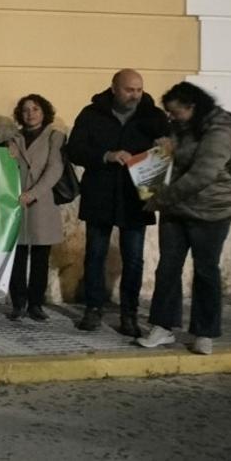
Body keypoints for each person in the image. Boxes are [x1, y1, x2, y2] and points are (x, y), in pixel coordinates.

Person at [136, 83, 231, 355]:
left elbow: (202, 175)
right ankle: (162, 326)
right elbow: (175, 162)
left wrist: (160, 199)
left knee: (206, 271)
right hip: (176, 210)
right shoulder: (181, 127)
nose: (171, 117)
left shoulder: (219, 131)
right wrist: (164, 150)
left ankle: (204, 332)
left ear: (192, 106)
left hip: (211, 210)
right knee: (168, 268)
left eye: (175, 112)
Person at [67, 69, 167, 336]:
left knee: (133, 260)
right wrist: (106, 155)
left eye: (139, 90)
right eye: (129, 90)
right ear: (114, 88)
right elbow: (74, 149)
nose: (135, 95)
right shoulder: (91, 114)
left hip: (136, 197)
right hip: (100, 194)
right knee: (95, 255)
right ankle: (93, 309)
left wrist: (163, 149)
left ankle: (129, 314)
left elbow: (167, 149)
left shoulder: (153, 116)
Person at [5, 94, 65, 322]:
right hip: (18, 201)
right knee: (17, 255)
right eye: (25, 110)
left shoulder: (55, 137)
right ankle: (18, 303)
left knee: (41, 257)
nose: (30, 114)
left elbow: (54, 168)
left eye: (35, 109)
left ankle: (36, 304)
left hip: (42, 201)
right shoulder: (14, 139)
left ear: (44, 112)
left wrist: (34, 193)